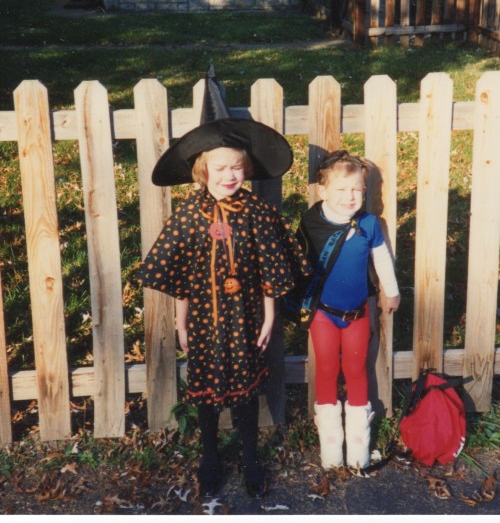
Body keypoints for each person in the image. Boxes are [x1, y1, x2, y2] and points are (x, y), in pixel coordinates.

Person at [137, 67, 309, 499]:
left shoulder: (256, 213)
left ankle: (250, 454)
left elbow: (271, 268)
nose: (229, 175)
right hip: (204, 320)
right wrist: (180, 321)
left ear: (246, 168)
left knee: (246, 389)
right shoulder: (188, 215)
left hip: (246, 316)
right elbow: (179, 274)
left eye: (236, 167)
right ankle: (210, 454)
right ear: (202, 169)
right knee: (206, 389)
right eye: (219, 167)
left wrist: (269, 316)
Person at [298, 150, 400, 472]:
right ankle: (330, 443)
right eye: (341, 189)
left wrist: (391, 290)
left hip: (357, 313)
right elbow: (298, 263)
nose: (349, 196)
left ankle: (358, 443)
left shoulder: (369, 224)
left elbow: (381, 258)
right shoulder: (311, 223)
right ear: (323, 190)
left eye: (356, 189)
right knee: (327, 368)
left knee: (356, 369)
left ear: (365, 190)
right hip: (323, 314)